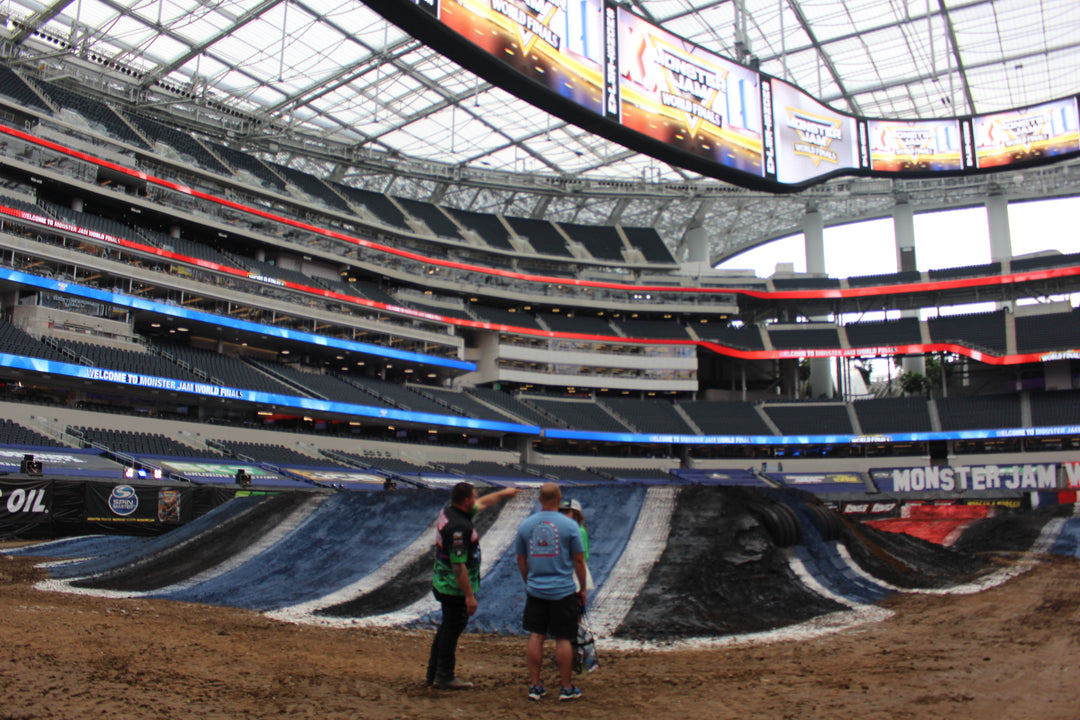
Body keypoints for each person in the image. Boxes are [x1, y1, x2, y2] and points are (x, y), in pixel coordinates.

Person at [427, 481, 519, 690]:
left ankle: (434, 672)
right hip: (453, 585)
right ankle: (444, 675)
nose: (476, 500)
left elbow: (483, 503)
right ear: (466, 500)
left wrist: (504, 493)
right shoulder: (458, 527)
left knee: (447, 627)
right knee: (452, 628)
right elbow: (458, 565)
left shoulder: (451, 511)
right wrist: (469, 595)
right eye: (473, 497)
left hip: (443, 582)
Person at [516, 482, 587, 702]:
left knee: (536, 636)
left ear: (539, 499)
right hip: (563, 590)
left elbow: (521, 560)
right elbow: (578, 560)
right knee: (563, 638)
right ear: (559, 499)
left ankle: (535, 685)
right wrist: (582, 588)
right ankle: (566, 687)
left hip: (536, 588)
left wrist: (529, 581)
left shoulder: (525, 526)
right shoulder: (570, 526)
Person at [559, 498, 594, 591]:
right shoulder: (564, 529)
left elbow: (583, 557)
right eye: (562, 512)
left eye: (567, 512)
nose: (564, 515)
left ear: (575, 514)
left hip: (575, 575)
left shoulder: (579, 531)